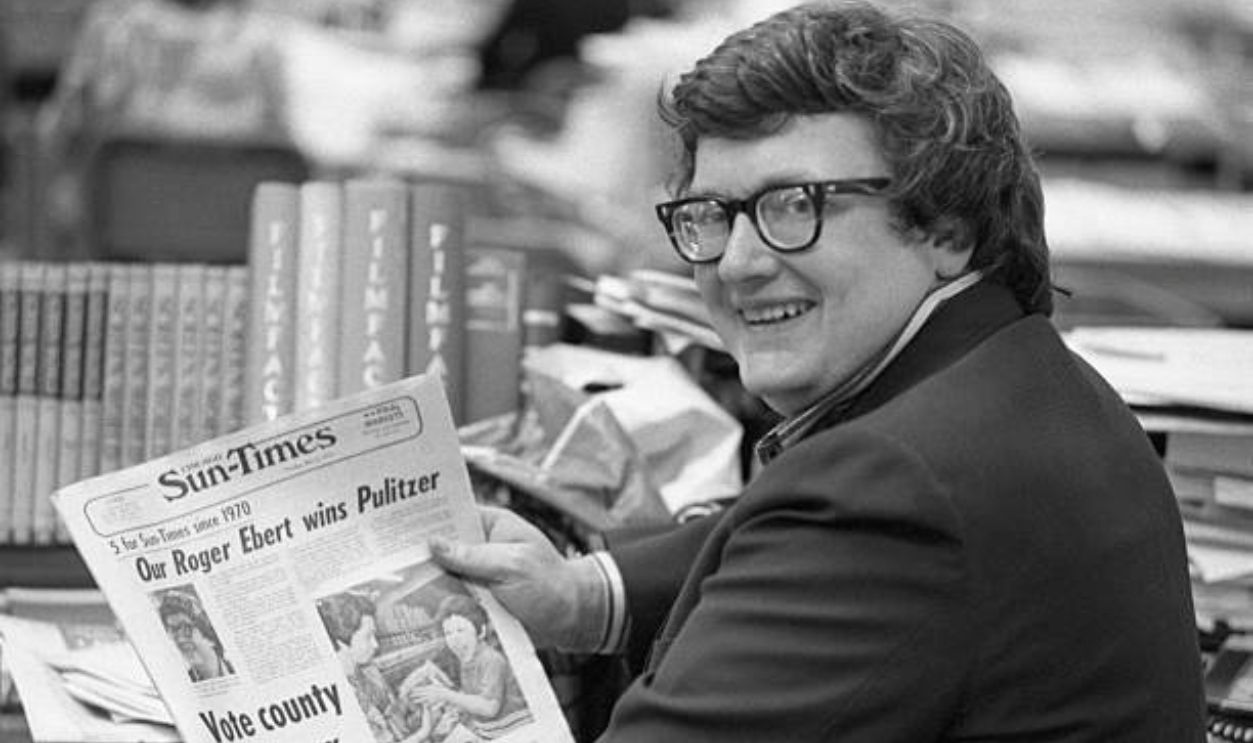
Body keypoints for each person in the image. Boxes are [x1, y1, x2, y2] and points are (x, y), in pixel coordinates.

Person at [431, 1, 1207, 740]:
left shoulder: (891, 486)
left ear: (945, 225)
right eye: (710, 216)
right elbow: (795, 542)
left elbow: (845, 536)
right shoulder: (1016, 377)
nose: (737, 263)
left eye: (793, 206)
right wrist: (579, 594)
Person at [404, 595, 532, 741]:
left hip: (511, 730)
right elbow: (474, 694)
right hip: (487, 730)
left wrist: (446, 695)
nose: (454, 638)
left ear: (481, 631)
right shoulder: (466, 661)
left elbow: (489, 708)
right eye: (448, 633)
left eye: (461, 630)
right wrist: (455, 706)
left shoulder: (491, 659)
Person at [317, 592, 434, 743]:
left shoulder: (368, 670)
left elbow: (391, 712)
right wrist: (423, 733)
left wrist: (408, 692)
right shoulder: (340, 696)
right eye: (368, 636)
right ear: (341, 643)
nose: (375, 645)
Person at [157, 590, 234, 682]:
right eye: (174, 630)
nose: (180, 640)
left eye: (187, 628)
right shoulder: (182, 682)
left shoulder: (237, 670)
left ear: (210, 636)